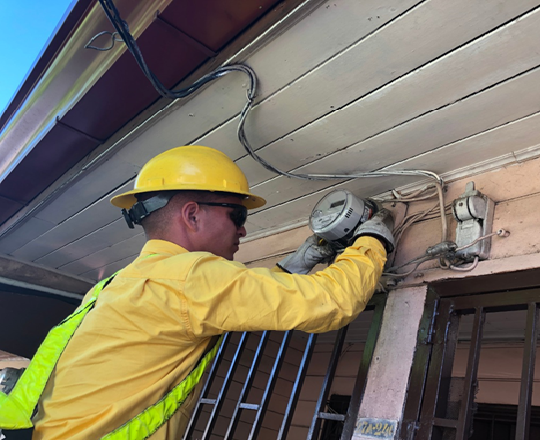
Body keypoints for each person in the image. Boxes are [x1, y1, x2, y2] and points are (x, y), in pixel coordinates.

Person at [30, 145, 394, 439]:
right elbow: (333, 301)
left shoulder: (116, 284)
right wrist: (371, 239)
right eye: (238, 216)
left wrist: (292, 267)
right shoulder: (190, 277)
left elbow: (228, 301)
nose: (243, 231)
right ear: (192, 216)